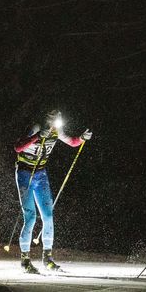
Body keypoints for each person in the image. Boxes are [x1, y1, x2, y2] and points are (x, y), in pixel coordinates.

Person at [14, 110, 92, 273]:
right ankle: (25, 260)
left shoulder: (57, 130)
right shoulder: (36, 127)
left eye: (57, 120)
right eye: (52, 120)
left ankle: (47, 258)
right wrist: (37, 137)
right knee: (30, 217)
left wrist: (82, 138)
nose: (55, 123)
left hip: (40, 173)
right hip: (25, 172)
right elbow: (18, 147)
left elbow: (72, 142)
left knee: (48, 216)